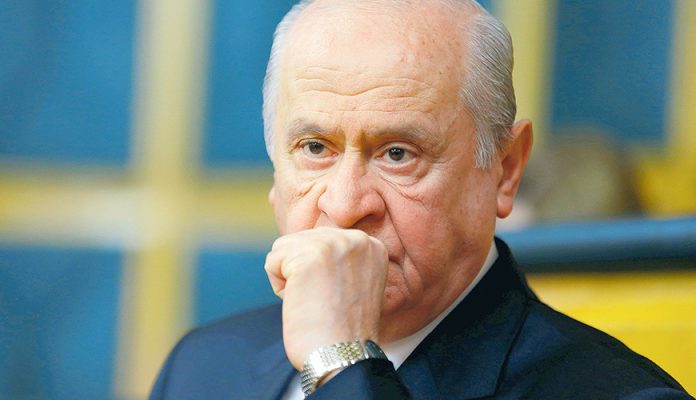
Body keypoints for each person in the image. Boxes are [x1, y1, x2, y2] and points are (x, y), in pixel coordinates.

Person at [150, 0, 692, 398]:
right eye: (315, 148)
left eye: (397, 154)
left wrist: (338, 364)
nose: (345, 205)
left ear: (504, 171)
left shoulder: (619, 394)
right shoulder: (204, 366)